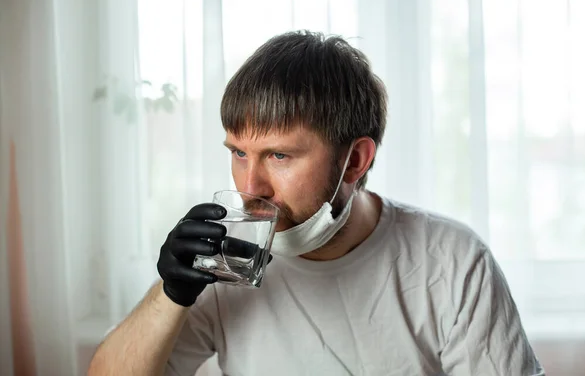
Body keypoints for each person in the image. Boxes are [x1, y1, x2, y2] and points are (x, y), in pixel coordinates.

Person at [88, 30, 545, 376]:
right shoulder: (228, 263)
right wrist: (169, 292)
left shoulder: (452, 263)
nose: (252, 186)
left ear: (354, 161)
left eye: (280, 156)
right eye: (238, 153)